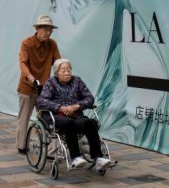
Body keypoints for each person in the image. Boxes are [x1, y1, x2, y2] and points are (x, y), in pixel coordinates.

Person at [37, 58, 112, 170]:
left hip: (75, 115)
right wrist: (60, 108)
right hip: (56, 116)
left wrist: (77, 106)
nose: (67, 72)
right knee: (69, 123)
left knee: (90, 122)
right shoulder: (50, 83)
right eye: (63, 70)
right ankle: (76, 157)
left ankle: (98, 157)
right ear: (57, 72)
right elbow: (42, 101)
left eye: (69, 70)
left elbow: (89, 98)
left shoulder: (77, 81)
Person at [16, 15, 61, 154]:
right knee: (24, 118)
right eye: (45, 29)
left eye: (50, 30)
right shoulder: (27, 43)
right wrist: (29, 76)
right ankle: (21, 145)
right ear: (37, 28)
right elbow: (22, 62)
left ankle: (51, 149)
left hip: (44, 88)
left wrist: (63, 71)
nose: (48, 33)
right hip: (28, 86)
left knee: (49, 118)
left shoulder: (52, 44)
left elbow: (58, 61)